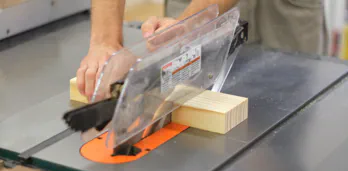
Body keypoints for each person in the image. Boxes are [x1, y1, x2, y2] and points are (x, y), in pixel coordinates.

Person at [77, 0, 325, 100]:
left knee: (282, 114)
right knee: (179, 97)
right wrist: (105, 40)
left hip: (278, 9)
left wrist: (190, 23)